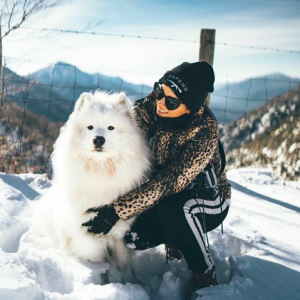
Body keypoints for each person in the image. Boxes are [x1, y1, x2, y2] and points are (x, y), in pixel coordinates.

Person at [82, 61, 232, 291]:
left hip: (206, 201)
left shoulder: (204, 131)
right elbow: (123, 139)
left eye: (171, 101)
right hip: (161, 197)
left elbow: (168, 183)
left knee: (175, 209)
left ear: (189, 108)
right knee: (131, 235)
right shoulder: (151, 106)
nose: (160, 103)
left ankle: (205, 276)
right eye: (160, 91)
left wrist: (116, 210)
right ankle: (176, 237)